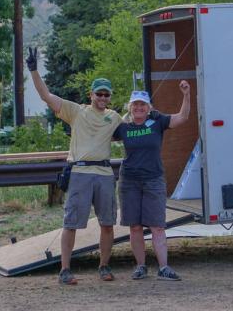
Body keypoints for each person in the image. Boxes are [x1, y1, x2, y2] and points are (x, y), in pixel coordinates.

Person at [26, 47, 122, 285]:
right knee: (71, 224)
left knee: (107, 223)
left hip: (104, 173)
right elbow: (46, 96)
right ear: (91, 95)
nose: (102, 98)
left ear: (110, 97)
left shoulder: (115, 118)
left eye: (106, 95)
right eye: (98, 94)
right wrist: (34, 70)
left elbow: (139, 122)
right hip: (80, 171)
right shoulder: (76, 111)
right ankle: (65, 270)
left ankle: (104, 266)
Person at [113, 81, 190, 281]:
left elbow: (183, 117)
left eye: (143, 105)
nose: (139, 108)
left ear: (149, 108)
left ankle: (164, 267)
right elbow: (99, 132)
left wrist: (186, 94)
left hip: (153, 179)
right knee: (135, 226)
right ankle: (140, 266)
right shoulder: (123, 127)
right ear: (130, 108)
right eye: (135, 105)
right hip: (129, 181)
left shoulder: (157, 122)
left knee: (157, 226)